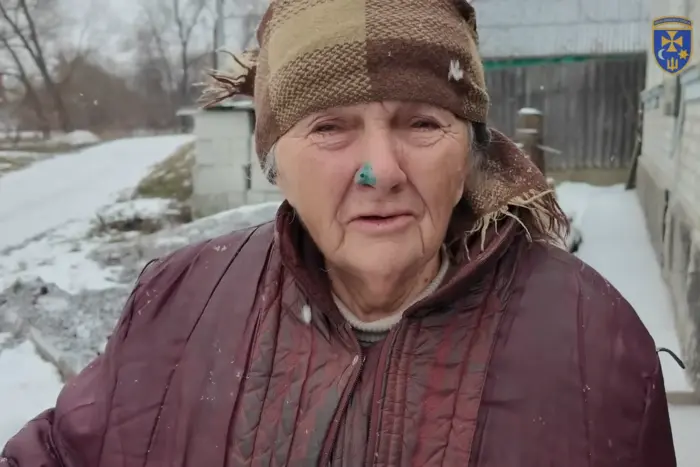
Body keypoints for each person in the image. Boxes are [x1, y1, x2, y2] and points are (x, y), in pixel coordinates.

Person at [2, 0, 676, 465]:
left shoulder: (595, 341)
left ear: (470, 149)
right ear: (273, 159)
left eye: (420, 122)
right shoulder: (178, 304)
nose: (379, 170)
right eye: (329, 127)